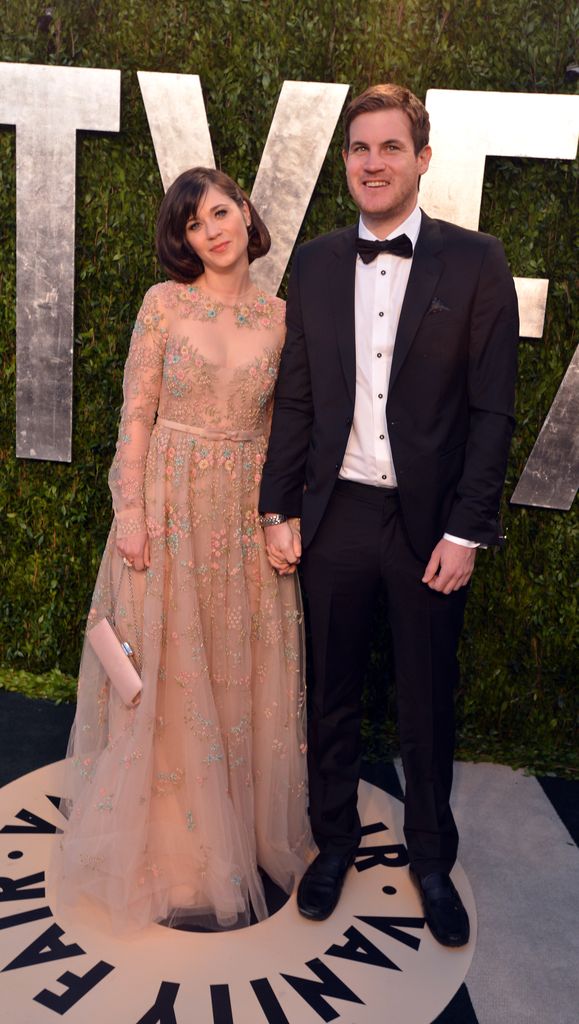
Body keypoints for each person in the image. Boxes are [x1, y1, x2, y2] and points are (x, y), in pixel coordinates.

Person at [259, 83, 519, 946]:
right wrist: (277, 508)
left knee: (426, 703)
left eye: (389, 148)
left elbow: (491, 412)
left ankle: (431, 861)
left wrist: (466, 530)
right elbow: (295, 397)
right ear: (345, 162)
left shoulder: (477, 262)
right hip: (331, 520)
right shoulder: (320, 262)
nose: (373, 162)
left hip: (427, 529)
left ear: (421, 158)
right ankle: (332, 847)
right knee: (329, 698)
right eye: (359, 149)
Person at [54, 167, 311, 932]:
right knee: (162, 669)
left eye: (221, 212)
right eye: (196, 224)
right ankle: (171, 848)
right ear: (184, 241)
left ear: (245, 213)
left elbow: (283, 432)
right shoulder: (162, 304)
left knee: (238, 664)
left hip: (242, 510)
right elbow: (137, 412)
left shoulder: (283, 317)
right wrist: (129, 509)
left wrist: (278, 517)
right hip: (166, 503)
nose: (213, 231)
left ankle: (242, 831)